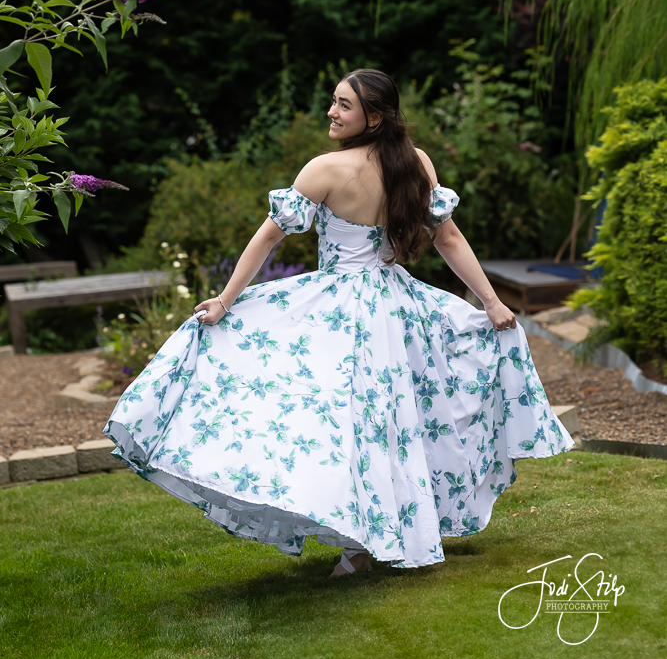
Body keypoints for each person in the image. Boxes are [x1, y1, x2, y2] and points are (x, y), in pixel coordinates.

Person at [104, 69, 573, 575]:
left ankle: (363, 545)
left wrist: (225, 299)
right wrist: (491, 302)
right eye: (334, 101)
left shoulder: (325, 169)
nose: (331, 111)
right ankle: (374, 540)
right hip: (395, 306)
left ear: (374, 117)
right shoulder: (415, 162)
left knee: (349, 424)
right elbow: (448, 238)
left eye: (344, 105)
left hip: (344, 308)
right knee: (394, 421)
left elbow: (268, 238)